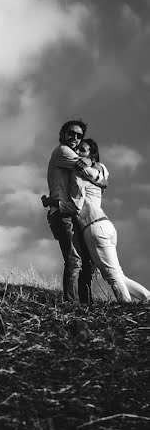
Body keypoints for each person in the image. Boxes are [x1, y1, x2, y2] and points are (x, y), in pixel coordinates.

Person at [71, 138, 150, 303]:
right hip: (103, 226)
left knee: (112, 276)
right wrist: (88, 160)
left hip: (95, 227)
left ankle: (126, 307)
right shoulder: (89, 172)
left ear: (92, 155)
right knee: (117, 274)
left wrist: (89, 162)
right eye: (77, 150)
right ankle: (147, 298)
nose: (78, 153)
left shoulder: (84, 172)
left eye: (83, 150)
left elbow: (100, 171)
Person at [45, 119, 94, 304]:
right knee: (74, 260)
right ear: (63, 134)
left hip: (68, 212)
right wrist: (91, 160)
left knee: (82, 260)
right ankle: (70, 303)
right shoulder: (62, 151)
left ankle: (84, 302)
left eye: (79, 136)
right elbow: (88, 172)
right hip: (62, 213)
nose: (74, 138)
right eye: (71, 133)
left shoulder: (69, 153)